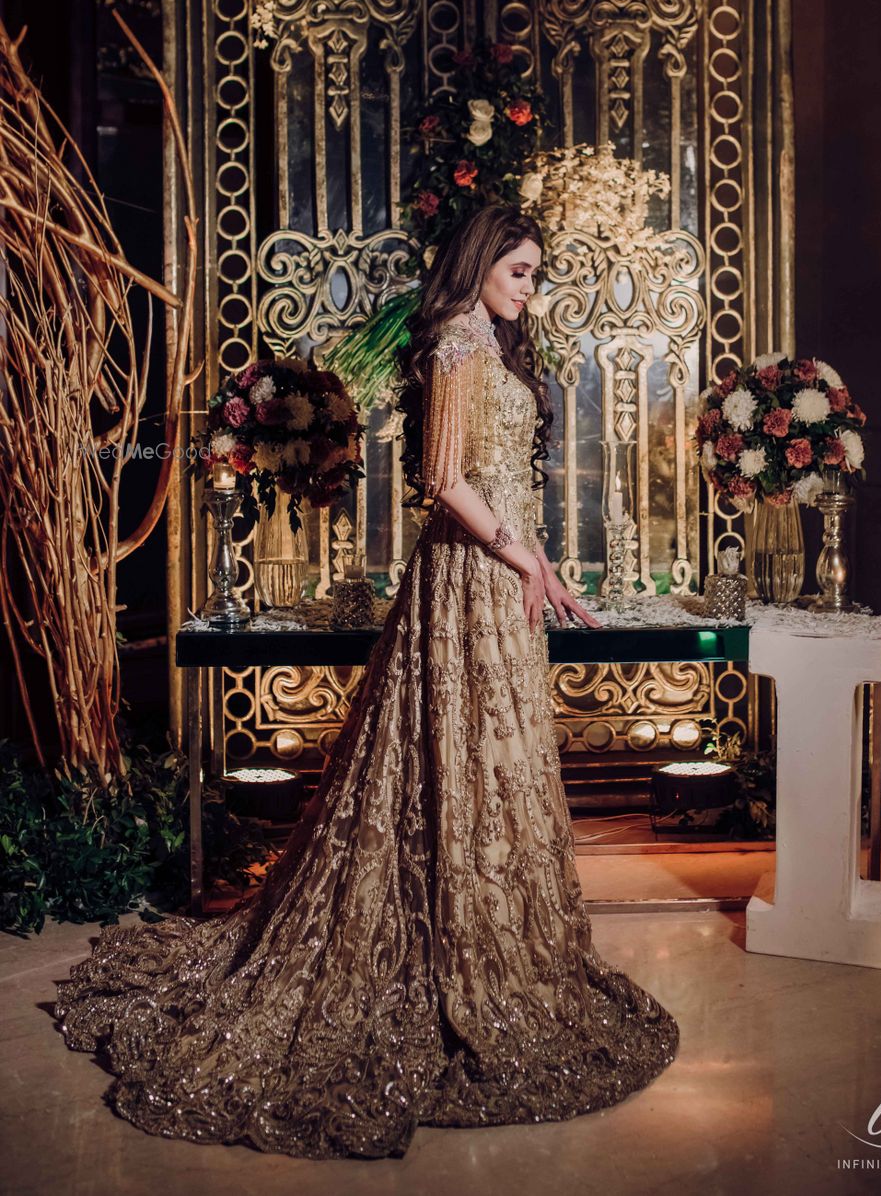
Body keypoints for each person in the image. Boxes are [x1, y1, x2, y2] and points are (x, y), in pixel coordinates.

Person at [55, 205, 679, 1159]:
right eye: (520, 270)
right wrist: (519, 560)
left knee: (487, 759)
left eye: (537, 274)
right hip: (467, 576)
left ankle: (491, 929)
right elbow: (442, 478)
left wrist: (543, 568)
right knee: (446, 758)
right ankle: (447, 941)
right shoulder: (462, 342)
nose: (531, 288)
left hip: (498, 571)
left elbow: (502, 474)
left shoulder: (493, 343)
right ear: (478, 266)